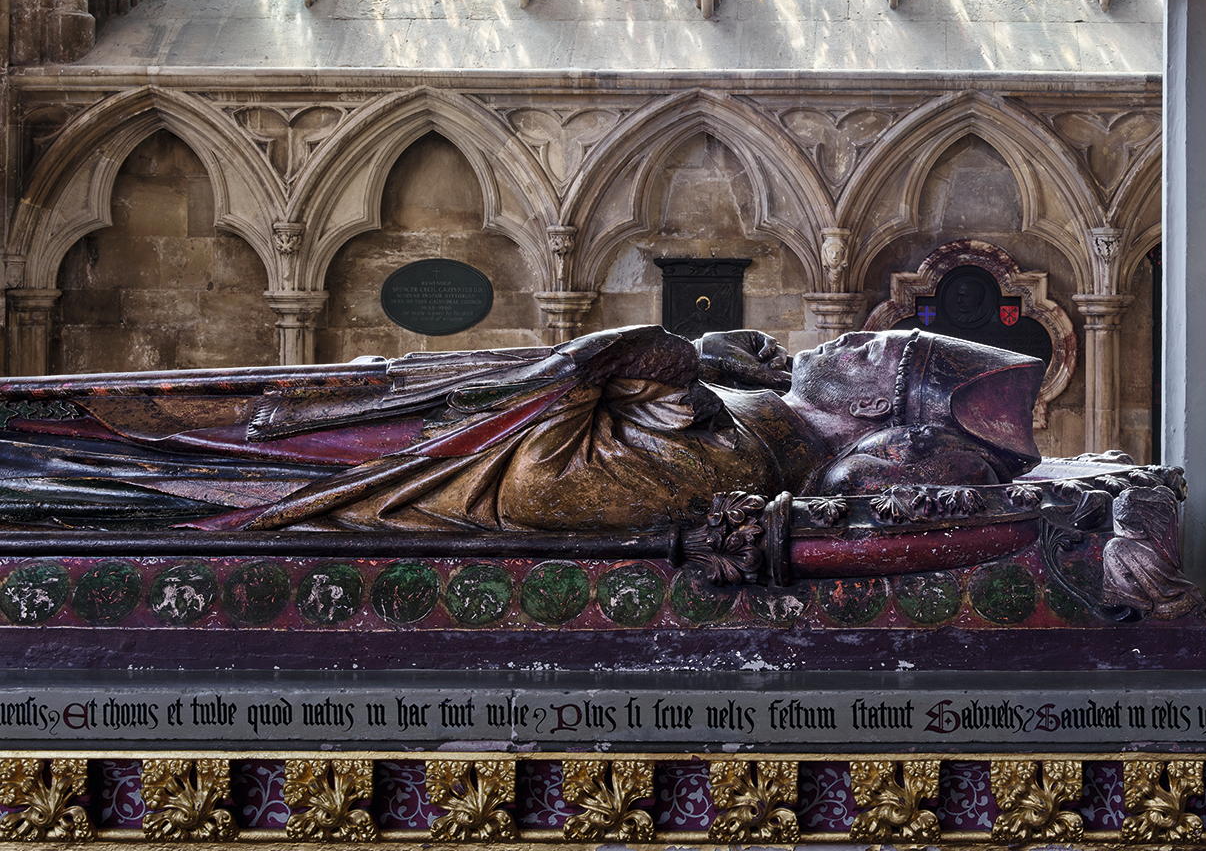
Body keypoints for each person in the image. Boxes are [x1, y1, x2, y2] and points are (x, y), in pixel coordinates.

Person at [0, 326, 1041, 538]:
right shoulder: (744, 412)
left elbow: (539, 487)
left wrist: (641, 358)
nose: (845, 334)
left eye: (871, 345)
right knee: (180, 407)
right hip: (409, 409)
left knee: (166, 443)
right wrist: (688, 364)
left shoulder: (732, 454)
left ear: (873, 413)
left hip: (376, 456)